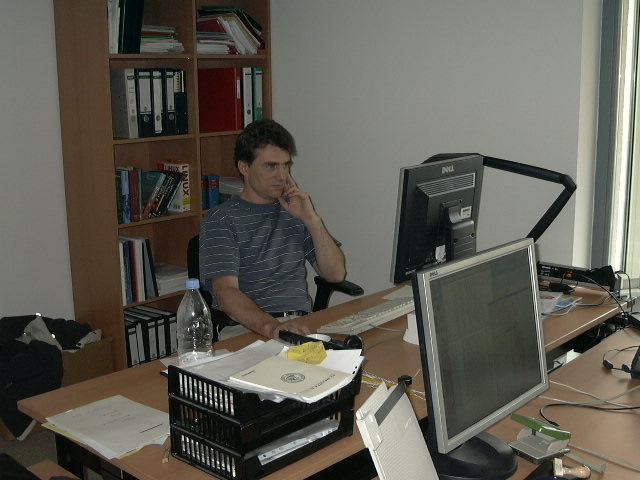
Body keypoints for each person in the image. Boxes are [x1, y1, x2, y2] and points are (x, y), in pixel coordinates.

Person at [199, 119, 347, 340]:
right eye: (271, 166)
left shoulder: (294, 211)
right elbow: (226, 294)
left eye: (286, 165)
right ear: (244, 167)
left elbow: (335, 274)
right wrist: (273, 328)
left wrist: (311, 219)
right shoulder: (221, 219)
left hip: (300, 324)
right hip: (249, 328)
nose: (282, 176)